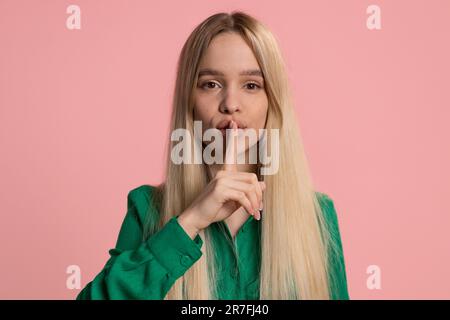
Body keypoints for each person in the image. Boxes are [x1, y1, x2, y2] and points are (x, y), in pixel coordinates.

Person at [77, 11, 349, 300]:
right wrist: (190, 221)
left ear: (273, 101)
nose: (231, 104)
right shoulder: (147, 209)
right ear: (189, 101)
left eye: (252, 85)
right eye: (211, 84)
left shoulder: (318, 216)